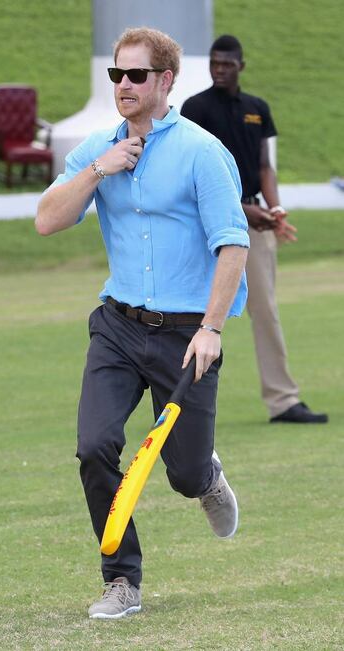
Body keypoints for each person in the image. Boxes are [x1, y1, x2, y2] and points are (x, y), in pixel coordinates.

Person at [36, 27, 249, 620]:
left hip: (188, 334)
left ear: (166, 81)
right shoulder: (100, 148)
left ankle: (206, 476)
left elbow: (233, 245)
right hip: (118, 326)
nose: (123, 86)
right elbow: (47, 220)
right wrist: (98, 170)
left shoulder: (203, 152)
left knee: (181, 475)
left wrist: (212, 328)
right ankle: (121, 580)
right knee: (94, 446)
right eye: (116, 75)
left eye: (136, 75)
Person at [181, 35, 328, 424]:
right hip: (204, 224)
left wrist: (273, 209)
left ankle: (283, 401)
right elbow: (193, 176)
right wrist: (244, 211)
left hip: (254, 221)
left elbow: (264, 166)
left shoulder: (256, 109)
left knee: (266, 311)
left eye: (227, 64)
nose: (220, 69)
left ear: (241, 66)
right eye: (214, 62)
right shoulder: (195, 109)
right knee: (188, 315)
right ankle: (176, 407)